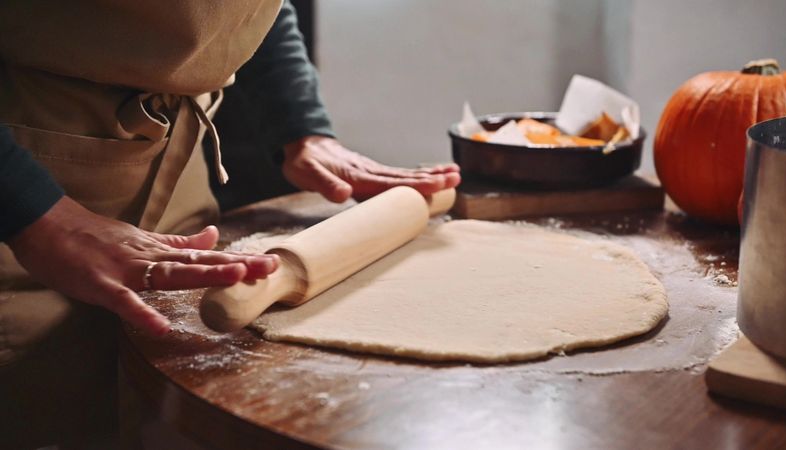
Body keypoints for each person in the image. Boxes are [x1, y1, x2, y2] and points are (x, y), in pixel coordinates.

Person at [0, 1, 460, 447]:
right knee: (42, 402)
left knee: (163, 400)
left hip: (175, 166)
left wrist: (300, 126)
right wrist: (34, 211)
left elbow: (243, 10)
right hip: (26, 172)